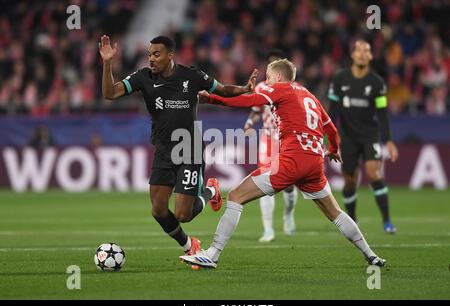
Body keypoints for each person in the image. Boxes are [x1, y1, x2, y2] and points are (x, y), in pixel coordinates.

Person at [180, 59, 386, 269]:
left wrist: (212, 99)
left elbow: (248, 101)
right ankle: (370, 255)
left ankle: (212, 254)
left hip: (292, 160)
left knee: (235, 196)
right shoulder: (309, 96)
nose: (267, 83)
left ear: (278, 77)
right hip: (315, 163)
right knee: (335, 212)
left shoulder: (280, 89)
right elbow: (331, 129)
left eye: (268, 78)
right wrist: (333, 149)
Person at [99, 35, 257, 258]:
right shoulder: (143, 77)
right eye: (149, 54)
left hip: (189, 148)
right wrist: (107, 63)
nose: (151, 59)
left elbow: (221, 90)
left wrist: (244, 89)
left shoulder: (191, 75)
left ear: (170, 55)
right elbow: (110, 93)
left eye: (156, 54)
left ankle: (210, 191)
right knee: (158, 210)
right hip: (163, 150)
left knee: (183, 214)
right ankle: (188, 245)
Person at [327, 40, 399, 234]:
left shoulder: (377, 83)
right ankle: (353, 220)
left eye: (366, 51)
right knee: (350, 181)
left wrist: (389, 140)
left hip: (370, 136)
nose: (361, 54)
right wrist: (329, 136)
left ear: (370, 56)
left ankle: (387, 221)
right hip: (347, 137)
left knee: (374, 174)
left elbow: (382, 113)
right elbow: (332, 111)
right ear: (352, 54)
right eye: (358, 50)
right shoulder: (340, 79)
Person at [243, 49, 298, 242]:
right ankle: (268, 229)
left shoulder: (296, 88)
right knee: (266, 181)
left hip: (288, 139)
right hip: (268, 138)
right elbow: (256, 110)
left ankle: (288, 214)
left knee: (290, 185)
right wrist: (249, 123)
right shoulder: (261, 88)